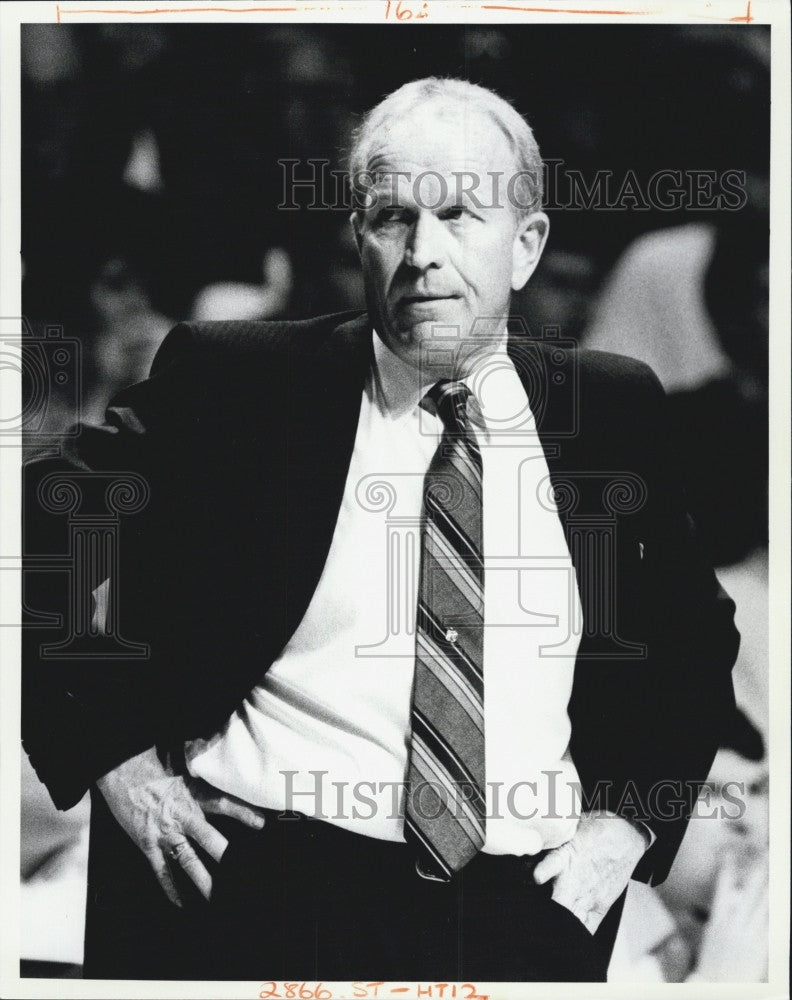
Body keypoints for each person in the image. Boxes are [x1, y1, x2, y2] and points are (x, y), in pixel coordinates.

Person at [22, 78, 739, 982]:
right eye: (391, 217)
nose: (422, 254)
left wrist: (630, 823)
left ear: (527, 246)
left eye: (460, 216)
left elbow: (694, 640)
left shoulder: (612, 407)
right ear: (357, 236)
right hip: (253, 889)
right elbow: (41, 525)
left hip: (530, 909)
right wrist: (112, 758)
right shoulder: (239, 381)